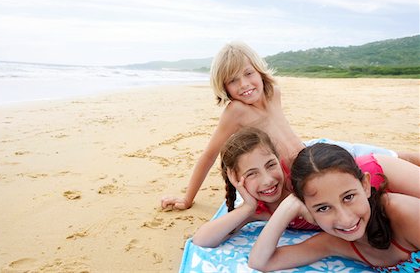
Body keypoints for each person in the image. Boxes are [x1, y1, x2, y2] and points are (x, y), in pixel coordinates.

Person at [160, 41, 420, 211]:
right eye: (233, 80)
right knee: (380, 185)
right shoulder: (235, 112)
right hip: (300, 170)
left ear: (259, 71)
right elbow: (209, 154)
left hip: (314, 151)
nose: (244, 84)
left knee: (400, 157)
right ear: (224, 87)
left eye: (248, 73)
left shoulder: (274, 92)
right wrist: (187, 198)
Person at [192, 127, 420, 248]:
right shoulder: (258, 209)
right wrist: (246, 208)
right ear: (236, 179)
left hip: (378, 171)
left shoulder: (299, 179)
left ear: (278, 159)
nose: (268, 180)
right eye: (251, 174)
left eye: (270, 165)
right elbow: (202, 240)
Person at [248, 143, 420, 272]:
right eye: (323, 208)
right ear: (308, 211)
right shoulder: (335, 242)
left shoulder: (402, 213)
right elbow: (260, 261)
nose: (345, 219)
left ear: (365, 185)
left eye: (349, 197)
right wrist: (289, 206)